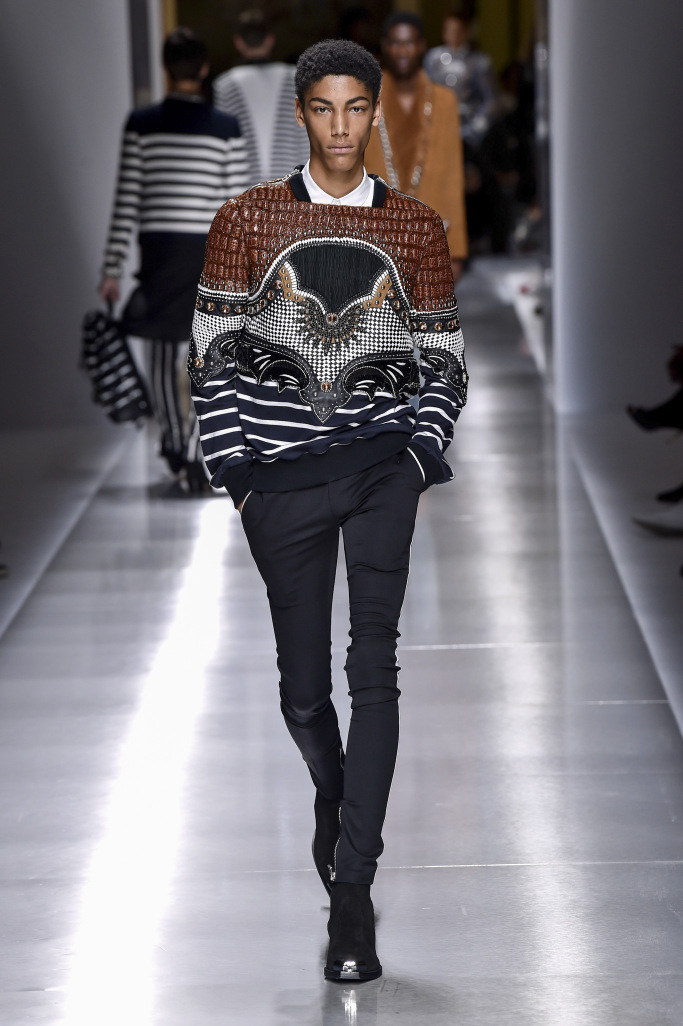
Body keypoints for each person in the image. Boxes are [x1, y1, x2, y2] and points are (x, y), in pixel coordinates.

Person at [188, 38, 468, 981]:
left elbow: (444, 355)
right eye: (323, 108)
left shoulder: (415, 228)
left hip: (384, 465)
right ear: (302, 112)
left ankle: (352, 895)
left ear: (374, 112)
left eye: (356, 108)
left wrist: (421, 453)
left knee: (372, 668)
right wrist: (236, 472)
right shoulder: (246, 219)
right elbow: (212, 348)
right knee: (304, 692)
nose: (341, 127)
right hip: (280, 481)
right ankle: (333, 792)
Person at [100, 28, 248, 492]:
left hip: (160, 250)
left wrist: (112, 267)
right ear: (203, 70)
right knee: (208, 353)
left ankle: (175, 442)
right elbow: (236, 205)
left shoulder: (140, 124)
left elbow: (127, 199)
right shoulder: (225, 127)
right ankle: (197, 451)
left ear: (166, 69)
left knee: (164, 352)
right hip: (207, 249)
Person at [363, 12, 468, 281]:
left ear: (421, 46)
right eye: (396, 43)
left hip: (432, 237)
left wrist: (456, 249)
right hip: (376, 238)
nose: (402, 51)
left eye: (409, 43)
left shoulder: (444, 102)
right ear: (385, 46)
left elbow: (453, 174)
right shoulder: (364, 101)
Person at [213, 9, 308, 187]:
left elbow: (222, 146)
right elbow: (307, 140)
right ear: (270, 40)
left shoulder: (225, 85)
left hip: (244, 192)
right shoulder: (296, 79)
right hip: (291, 190)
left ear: (238, 42)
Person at [424, 10, 497, 149]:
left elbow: (490, 99)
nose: (453, 35)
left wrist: (476, 129)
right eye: (449, 30)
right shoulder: (433, 58)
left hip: (467, 127)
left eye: (457, 30)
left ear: (467, 32)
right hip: (439, 126)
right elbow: (426, 92)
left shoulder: (479, 61)